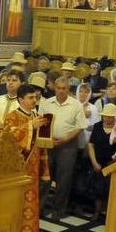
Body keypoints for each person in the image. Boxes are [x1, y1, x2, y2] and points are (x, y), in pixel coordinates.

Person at [1, 83, 49, 232]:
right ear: (20, 99)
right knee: (15, 208)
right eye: (30, 98)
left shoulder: (37, 116)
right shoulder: (12, 116)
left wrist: (44, 168)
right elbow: (8, 139)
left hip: (32, 172)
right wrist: (30, 127)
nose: (34, 100)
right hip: (16, 172)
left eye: (35, 97)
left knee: (30, 209)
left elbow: (41, 145)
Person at [39, 76, 87, 221]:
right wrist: (47, 138)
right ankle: (39, 207)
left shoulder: (76, 105)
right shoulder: (47, 103)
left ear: (68, 89)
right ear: (55, 88)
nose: (61, 91)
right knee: (45, 178)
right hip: (48, 144)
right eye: (58, 88)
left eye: (64, 88)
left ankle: (58, 210)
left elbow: (80, 126)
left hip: (68, 146)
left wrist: (66, 138)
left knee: (63, 180)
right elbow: (40, 122)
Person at [83, 102, 116, 222]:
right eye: (106, 116)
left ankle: (109, 212)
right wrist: (94, 162)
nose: (107, 119)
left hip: (112, 164)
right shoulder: (97, 126)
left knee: (110, 189)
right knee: (97, 188)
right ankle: (97, 211)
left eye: (110, 117)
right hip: (97, 162)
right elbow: (91, 145)